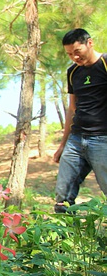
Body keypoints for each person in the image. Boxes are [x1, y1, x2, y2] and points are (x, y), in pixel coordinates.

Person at [52, 28, 107, 213]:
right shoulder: (73, 72)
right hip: (76, 140)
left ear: (89, 43)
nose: (74, 57)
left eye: (77, 52)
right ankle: (66, 238)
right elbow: (72, 109)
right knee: (62, 197)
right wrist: (63, 144)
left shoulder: (106, 63)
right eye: (69, 54)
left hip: (103, 139)